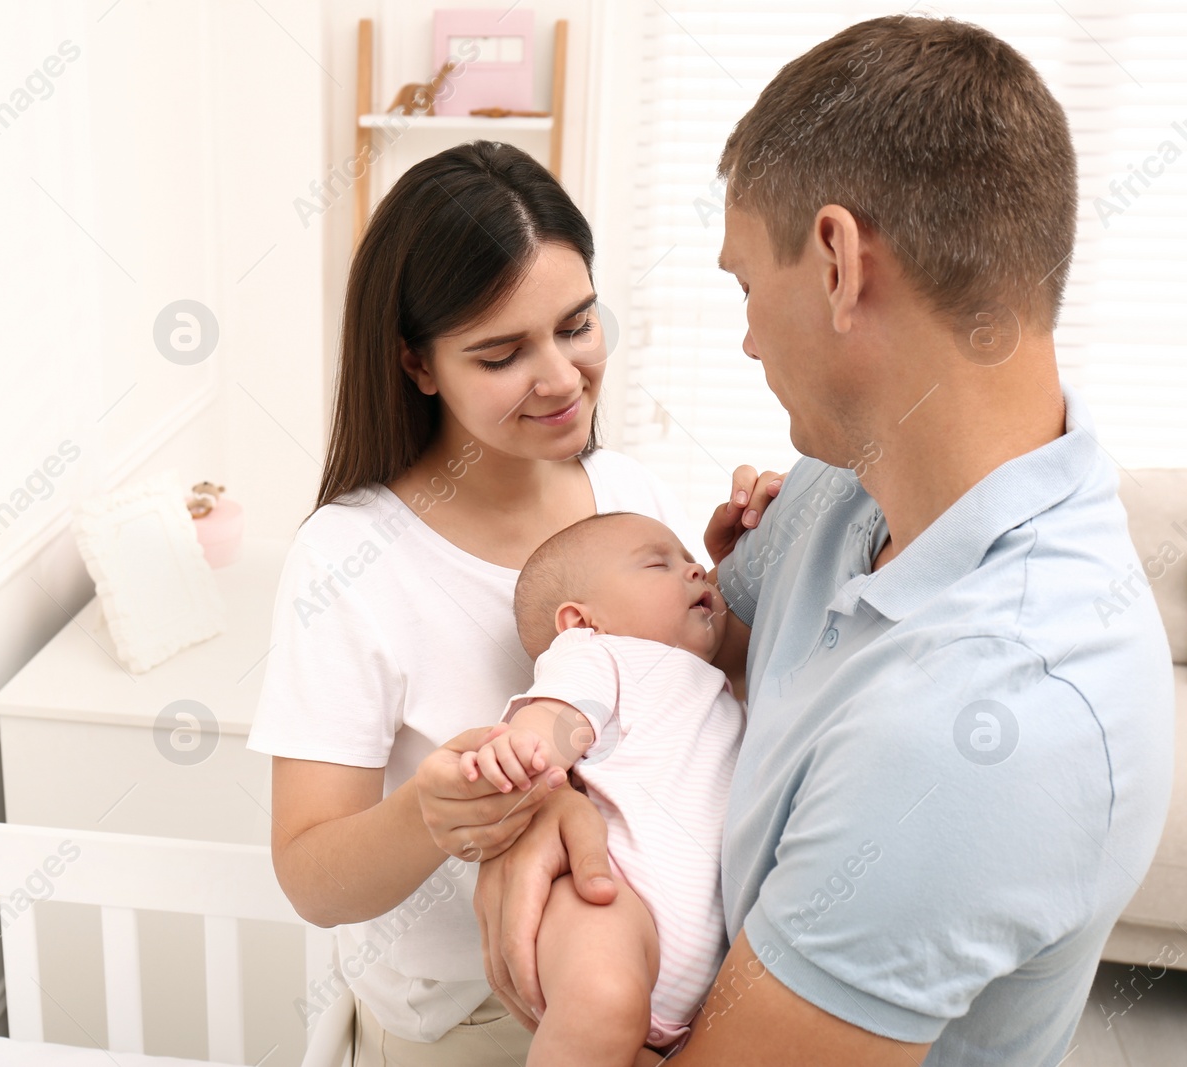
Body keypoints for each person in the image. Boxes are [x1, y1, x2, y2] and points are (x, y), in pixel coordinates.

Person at [461, 15, 1176, 1065]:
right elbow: (693, 685)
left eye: (746, 283)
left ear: (838, 260)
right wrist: (548, 805)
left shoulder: (991, 721)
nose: (745, 335)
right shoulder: (842, 484)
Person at [244, 139, 781, 1064]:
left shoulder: (629, 495)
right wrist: (430, 816)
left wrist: (761, 570)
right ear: (418, 365)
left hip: (680, 979)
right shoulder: (351, 559)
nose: (563, 378)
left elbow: (718, 691)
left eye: (576, 325)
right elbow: (311, 876)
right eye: (502, 353)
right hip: (473, 1019)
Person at [459, 512, 746, 1062]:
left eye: (691, 561)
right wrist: (525, 751)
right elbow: (561, 715)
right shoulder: (604, 654)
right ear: (581, 621)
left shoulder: (714, 684)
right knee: (602, 1001)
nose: (693, 571)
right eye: (658, 564)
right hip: (612, 899)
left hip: (701, 975)